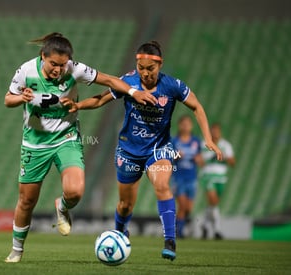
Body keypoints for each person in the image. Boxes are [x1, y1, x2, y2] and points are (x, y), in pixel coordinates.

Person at [3, 32, 156, 263]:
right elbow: (8, 100)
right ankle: (17, 250)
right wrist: (22, 98)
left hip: (67, 137)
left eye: (62, 65)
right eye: (54, 64)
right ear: (42, 56)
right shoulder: (26, 71)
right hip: (35, 143)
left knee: (75, 191)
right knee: (26, 201)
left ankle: (62, 206)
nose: (58, 69)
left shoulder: (75, 69)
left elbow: (111, 80)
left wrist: (134, 92)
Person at [71, 40, 222, 261]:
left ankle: (170, 240)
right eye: (141, 68)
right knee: (125, 205)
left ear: (159, 66)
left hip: (159, 148)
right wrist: (78, 105)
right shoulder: (128, 81)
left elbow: (197, 106)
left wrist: (208, 138)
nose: (145, 73)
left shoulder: (172, 86)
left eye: (150, 69)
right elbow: (101, 99)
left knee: (162, 184)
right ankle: (120, 231)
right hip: (129, 150)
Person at [200, 123, 235, 240]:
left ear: (220, 132)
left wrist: (224, 157)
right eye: (212, 131)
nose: (215, 133)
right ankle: (217, 230)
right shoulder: (204, 144)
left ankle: (204, 225)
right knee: (213, 200)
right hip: (208, 175)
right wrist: (211, 157)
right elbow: (200, 161)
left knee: (213, 204)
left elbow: (232, 162)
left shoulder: (225, 145)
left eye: (217, 131)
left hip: (221, 177)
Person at [171, 115, 203, 238]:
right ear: (179, 126)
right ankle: (178, 232)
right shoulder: (175, 141)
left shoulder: (196, 141)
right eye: (183, 124)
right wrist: (176, 155)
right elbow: (168, 158)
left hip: (192, 178)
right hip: (178, 178)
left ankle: (177, 227)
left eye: (188, 124)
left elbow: (201, 160)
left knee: (188, 208)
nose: (185, 126)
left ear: (191, 126)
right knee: (182, 205)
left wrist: (198, 159)